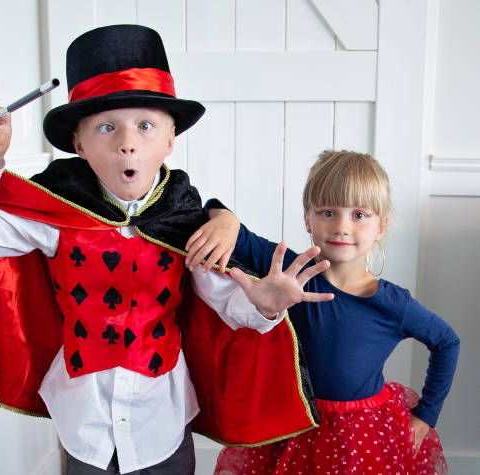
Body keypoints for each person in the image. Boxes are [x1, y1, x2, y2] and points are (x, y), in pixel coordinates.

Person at [0, 25, 334, 474]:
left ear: (170, 138)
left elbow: (226, 300)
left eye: (144, 125)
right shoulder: (59, 212)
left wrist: (265, 307)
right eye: (106, 127)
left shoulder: (186, 220)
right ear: (78, 144)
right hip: (84, 421)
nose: (127, 142)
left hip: (163, 421)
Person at [188, 150, 460, 474]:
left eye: (359, 215)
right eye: (328, 212)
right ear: (308, 219)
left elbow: (447, 342)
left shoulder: (392, 304)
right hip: (292, 423)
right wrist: (225, 218)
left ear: (381, 226)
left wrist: (427, 414)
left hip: (360, 438)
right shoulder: (288, 269)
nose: (342, 227)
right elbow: (226, 225)